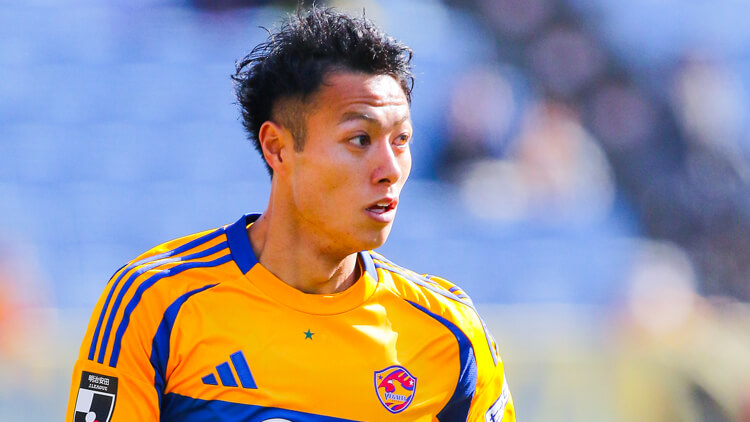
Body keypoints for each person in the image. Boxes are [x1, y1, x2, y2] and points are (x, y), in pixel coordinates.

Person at [65, 6, 515, 421]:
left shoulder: (451, 333)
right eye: (360, 139)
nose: (390, 169)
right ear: (278, 148)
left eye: (401, 140)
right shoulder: (154, 303)